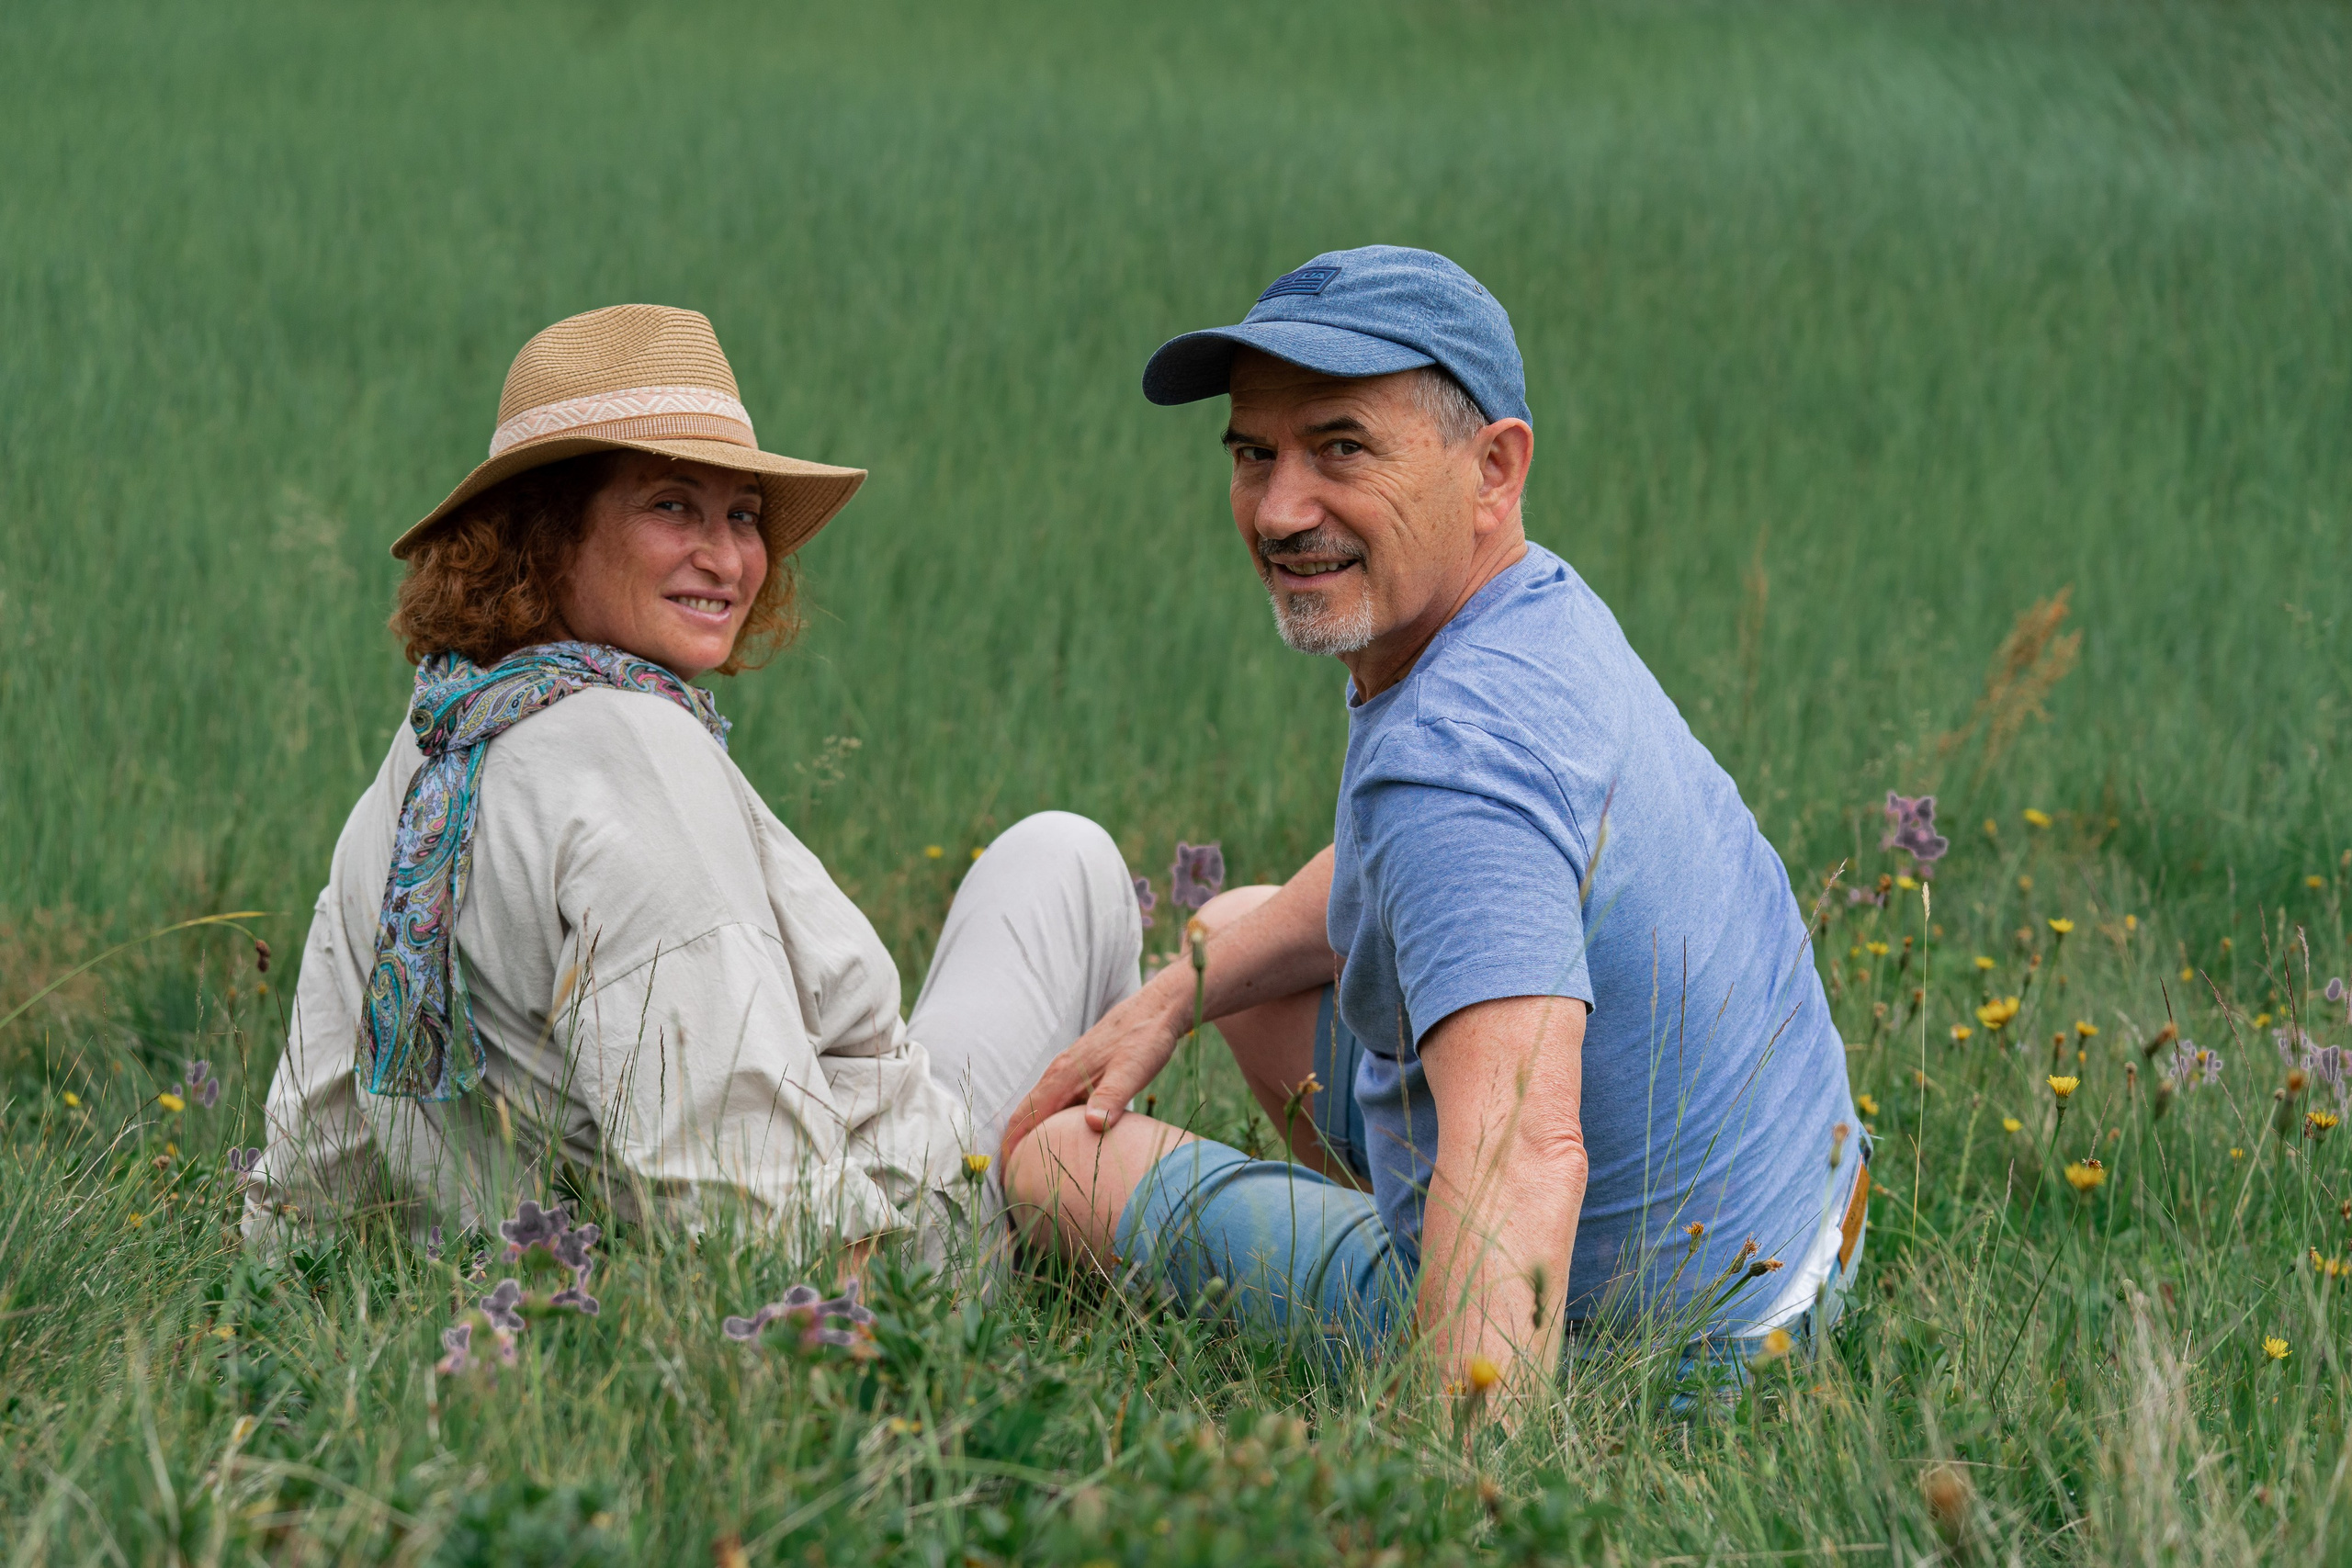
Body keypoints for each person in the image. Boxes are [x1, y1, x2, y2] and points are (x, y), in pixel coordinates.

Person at [1002, 247, 1866, 1404]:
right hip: (1805, 1244)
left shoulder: (1455, 770)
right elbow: (1386, 869)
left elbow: (1525, 1156)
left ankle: (1431, 1308)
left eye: (1340, 447)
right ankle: (1413, 1247)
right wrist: (1170, 999)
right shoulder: (1530, 611)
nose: (1280, 508)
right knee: (1238, 934)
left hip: (1655, 1363)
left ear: (1492, 468)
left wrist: (1472, 1485)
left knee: (1053, 1162)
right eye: (1254, 454)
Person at [246, 304, 1142, 1258]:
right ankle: (1086, 1240)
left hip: (531, 1280)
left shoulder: (439, 738)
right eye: (672, 505)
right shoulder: (631, 753)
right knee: (1068, 861)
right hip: (884, 1268)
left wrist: (289, 1272)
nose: (727, 558)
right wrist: (862, 1339)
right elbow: (738, 1182)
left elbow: (327, 1098)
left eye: (743, 515)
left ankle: (1088, 1211)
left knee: (1050, 862)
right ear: (546, 531)